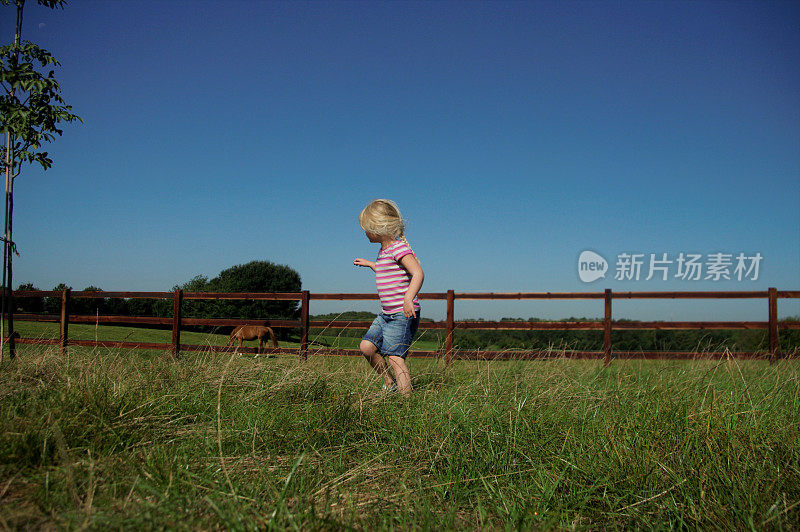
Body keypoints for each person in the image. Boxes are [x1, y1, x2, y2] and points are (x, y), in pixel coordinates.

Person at [353, 199, 424, 396]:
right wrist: (370, 264)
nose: (365, 233)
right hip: (386, 314)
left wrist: (408, 298)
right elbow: (387, 271)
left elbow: (418, 273)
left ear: (377, 228)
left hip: (402, 314)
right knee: (367, 348)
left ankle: (406, 402)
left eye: (366, 229)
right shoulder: (384, 251)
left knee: (395, 357)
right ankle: (388, 382)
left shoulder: (399, 248)